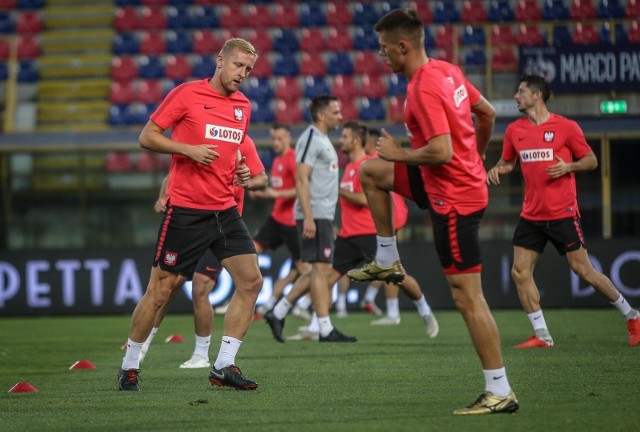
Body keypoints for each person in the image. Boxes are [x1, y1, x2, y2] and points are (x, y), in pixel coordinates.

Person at [347, 9, 518, 415]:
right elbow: (488, 114)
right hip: (446, 179)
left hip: (454, 197)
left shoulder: (423, 87)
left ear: (402, 46)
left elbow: (440, 151)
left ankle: (500, 390)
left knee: (466, 297)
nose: (381, 56)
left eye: (384, 49)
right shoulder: (447, 70)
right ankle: (387, 257)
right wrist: (474, 156)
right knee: (371, 173)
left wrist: (400, 153)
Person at [118, 38, 263, 391]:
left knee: (251, 281)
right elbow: (147, 136)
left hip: (225, 210)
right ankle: (130, 365)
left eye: (248, 69)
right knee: (160, 292)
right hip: (186, 211)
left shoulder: (243, 106)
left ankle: (224, 365)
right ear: (220, 60)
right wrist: (188, 150)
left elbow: (236, 157)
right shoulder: (186, 94)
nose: (242, 74)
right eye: (237, 65)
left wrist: (244, 174)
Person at [487, 75, 640, 348]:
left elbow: (591, 160)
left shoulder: (566, 127)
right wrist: (498, 169)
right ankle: (542, 335)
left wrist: (568, 167)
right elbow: (508, 162)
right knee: (520, 272)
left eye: (521, 91)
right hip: (531, 215)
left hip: (562, 213)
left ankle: (632, 316)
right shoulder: (514, 130)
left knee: (584, 271)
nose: (516, 96)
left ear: (537, 96)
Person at [289, 121, 439, 340]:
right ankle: (317, 326)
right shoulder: (348, 168)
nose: (342, 140)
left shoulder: (370, 165)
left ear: (357, 141)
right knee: (326, 278)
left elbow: (365, 200)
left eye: (346, 137)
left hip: (369, 233)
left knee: (398, 276)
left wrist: (339, 191)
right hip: (349, 236)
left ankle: (425, 311)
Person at [138, 135, 267, 369]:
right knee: (169, 286)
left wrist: (246, 181)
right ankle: (142, 344)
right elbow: (175, 173)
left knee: (200, 287)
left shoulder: (242, 140)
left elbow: (262, 179)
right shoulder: (203, 135)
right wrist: (162, 197)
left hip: (223, 225)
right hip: (192, 222)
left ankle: (202, 353)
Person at [264, 95, 357, 343]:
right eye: (335, 112)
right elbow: (301, 179)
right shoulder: (310, 139)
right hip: (314, 214)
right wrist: (308, 218)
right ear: (320, 115)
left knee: (320, 269)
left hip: (323, 214)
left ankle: (279, 311)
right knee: (321, 269)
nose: (340, 116)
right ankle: (324, 328)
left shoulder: (323, 140)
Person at [250, 123, 312, 319]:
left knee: (302, 268)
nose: (275, 142)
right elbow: (275, 190)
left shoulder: (294, 160)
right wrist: (263, 194)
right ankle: (258, 299)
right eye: (273, 138)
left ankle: (308, 304)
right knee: (250, 251)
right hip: (276, 219)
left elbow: (302, 189)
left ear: (288, 139)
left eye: (279, 139)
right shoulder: (277, 160)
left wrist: (275, 193)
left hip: (292, 222)